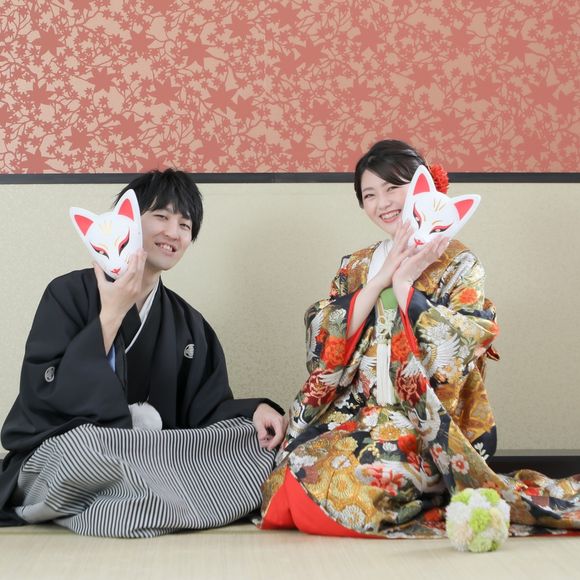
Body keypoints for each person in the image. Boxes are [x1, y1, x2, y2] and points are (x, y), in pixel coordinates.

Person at [260, 140, 579, 538]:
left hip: (420, 421)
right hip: (355, 410)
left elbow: (459, 349)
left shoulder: (459, 263)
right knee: (283, 485)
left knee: (355, 490)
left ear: (423, 189)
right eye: (369, 195)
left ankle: (435, 486)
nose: (382, 203)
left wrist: (406, 285)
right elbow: (323, 343)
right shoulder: (355, 265)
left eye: (393, 188)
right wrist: (381, 278)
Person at [0, 168, 286, 537]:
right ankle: (163, 503)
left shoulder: (189, 322)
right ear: (128, 220)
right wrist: (112, 312)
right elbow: (44, 393)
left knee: (256, 444)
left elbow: (205, 412)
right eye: (161, 216)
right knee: (83, 451)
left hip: (148, 454)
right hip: (72, 451)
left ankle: (124, 506)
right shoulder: (67, 293)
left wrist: (254, 411)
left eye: (185, 225)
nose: (173, 232)